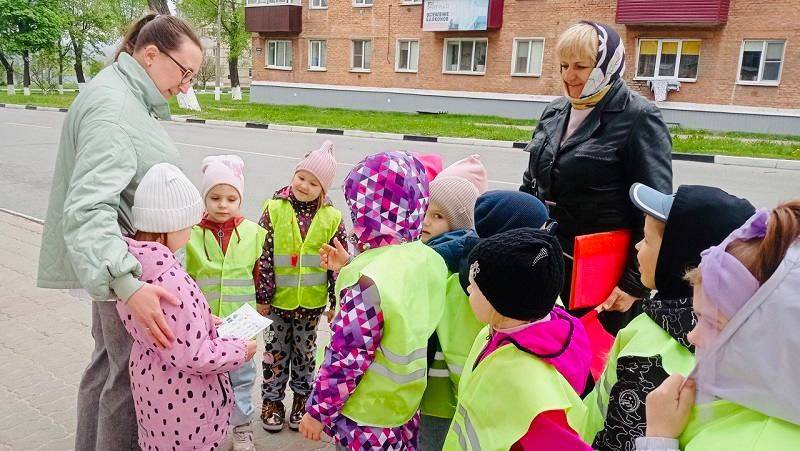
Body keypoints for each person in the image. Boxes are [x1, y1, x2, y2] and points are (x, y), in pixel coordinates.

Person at [36, 13, 202, 450]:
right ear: (150, 54)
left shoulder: (119, 92)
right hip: (127, 270)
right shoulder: (115, 109)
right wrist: (129, 285)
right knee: (131, 381)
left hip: (120, 265)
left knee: (106, 368)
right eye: (184, 73)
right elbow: (89, 207)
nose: (186, 86)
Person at [520, 21, 672, 334]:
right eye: (563, 65)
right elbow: (530, 185)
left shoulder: (639, 117)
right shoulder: (556, 111)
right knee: (549, 350)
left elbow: (655, 212)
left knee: (593, 366)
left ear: (608, 64)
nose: (568, 76)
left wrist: (634, 284)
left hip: (603, 276)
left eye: (580, 66)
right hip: (547, 261)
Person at [579, 183, 755, 450]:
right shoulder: (736, 322)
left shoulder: (650, 359)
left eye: (648, 240)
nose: (638, 246)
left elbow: (619, 439)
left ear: (677, 258)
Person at [299, 151, 448, 450]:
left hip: (365, 418)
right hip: (404, 406)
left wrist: (317, 412)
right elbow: (398, 300)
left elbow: (347, 357)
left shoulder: (367, 281)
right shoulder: (429, 260)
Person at [115, 163, 257, 450]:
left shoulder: (131, 269)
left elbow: (174, 331)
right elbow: (194, 356)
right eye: (189, 226)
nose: (191, 232)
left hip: (154, 390)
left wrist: (203, 319)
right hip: (188, 408)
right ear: (170, 226)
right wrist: (239, 350)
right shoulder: (169, 280)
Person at [637, 201, 800, 450]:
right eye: (698, 317)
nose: (692, 336)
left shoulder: (756, 442)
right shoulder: (757, 397)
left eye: (712, 323)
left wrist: (658, 438)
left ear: (778, 336)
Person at [443, 228, 591, 450]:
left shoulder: (528, 382)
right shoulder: (504, 329)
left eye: (475, 286)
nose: (468, 288)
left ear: (502, 303)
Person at [256, 140, 347, 432]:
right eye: (301, 177)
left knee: (306, 356)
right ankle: (271, 401)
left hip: (311, 304)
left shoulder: (332, 217)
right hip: (277, 304)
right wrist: (263, 296)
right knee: (274, 354)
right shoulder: (274, 208)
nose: (304, 185)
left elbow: (337, 264)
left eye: (313, 183)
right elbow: (263, 255)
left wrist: (335, 303)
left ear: (324, 189)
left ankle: (301, 401)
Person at [184, 155, 267, 451]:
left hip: (240, 324)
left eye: (231, 198)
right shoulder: (190, 233)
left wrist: (264, 304)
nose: (223, 204)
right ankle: (208, 429)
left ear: (240, 199)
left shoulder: (254, 234)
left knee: (241, 376)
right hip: (201, 325)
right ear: (204, 197)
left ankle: (242, 427)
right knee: (203, 378)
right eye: (215, 197)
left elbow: (262, 274)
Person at [418, 155, 488, 450]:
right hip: (448, 384)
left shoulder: (447, 266)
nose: (425, 221)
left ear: (459, 221)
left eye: (438, 216)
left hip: (439, 385)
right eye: (425, 211)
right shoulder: (434, 256)